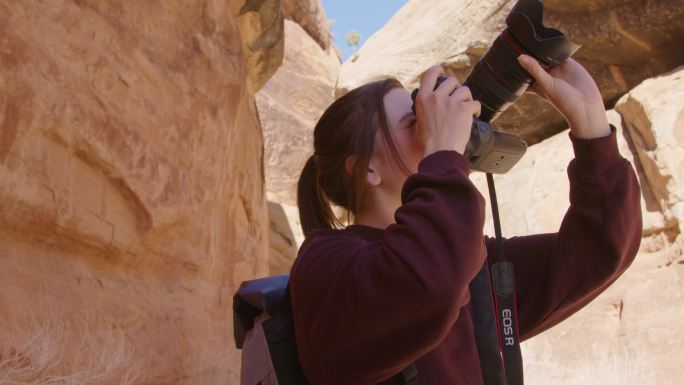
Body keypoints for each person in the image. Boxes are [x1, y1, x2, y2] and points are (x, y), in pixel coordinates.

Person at [289, 54, 642, 385]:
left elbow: (597, 250)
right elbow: (429, 285)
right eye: (415, 121)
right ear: (366, 168)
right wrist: (442, 151)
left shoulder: (467, 261)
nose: (432, 124)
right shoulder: (324, 263)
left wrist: (591, 122)